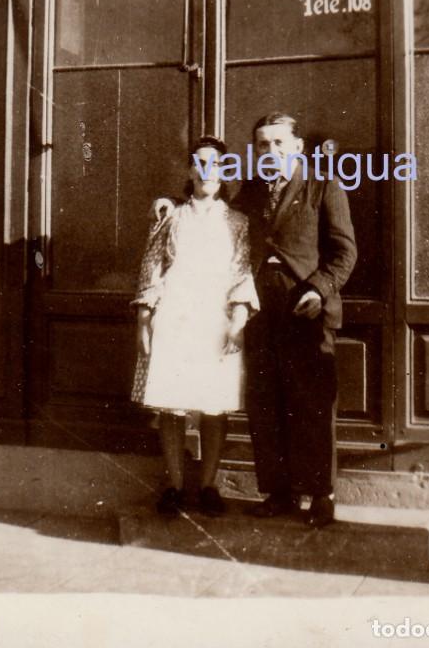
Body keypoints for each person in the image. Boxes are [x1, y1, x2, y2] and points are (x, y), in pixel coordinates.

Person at [234, 112, 357, 527]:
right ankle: (279, 491)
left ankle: (322, 494)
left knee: (313, 405)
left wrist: (318, 289)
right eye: (263, 145)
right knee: (266, 401)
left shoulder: (324, 185)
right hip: (259, 310)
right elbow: (218, 221)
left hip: (306, 310)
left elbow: (345, 252)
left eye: (279, 143)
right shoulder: (249, 192)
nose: (271, 152)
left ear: (298, 146)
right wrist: (173, 201)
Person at [131, 136, 259, 517]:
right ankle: (173, 486)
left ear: (226, 172)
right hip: (175, 317)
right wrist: (144, 319)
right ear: (190, 170)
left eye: (216, 164)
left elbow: (242, 270)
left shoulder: (238, 222)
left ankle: (207, 486)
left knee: (213, 407)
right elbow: (152, 268)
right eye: (200, 163)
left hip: (215, 321)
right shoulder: (170, 216)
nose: (207, 170)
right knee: (171, 408)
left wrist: (238, 320)